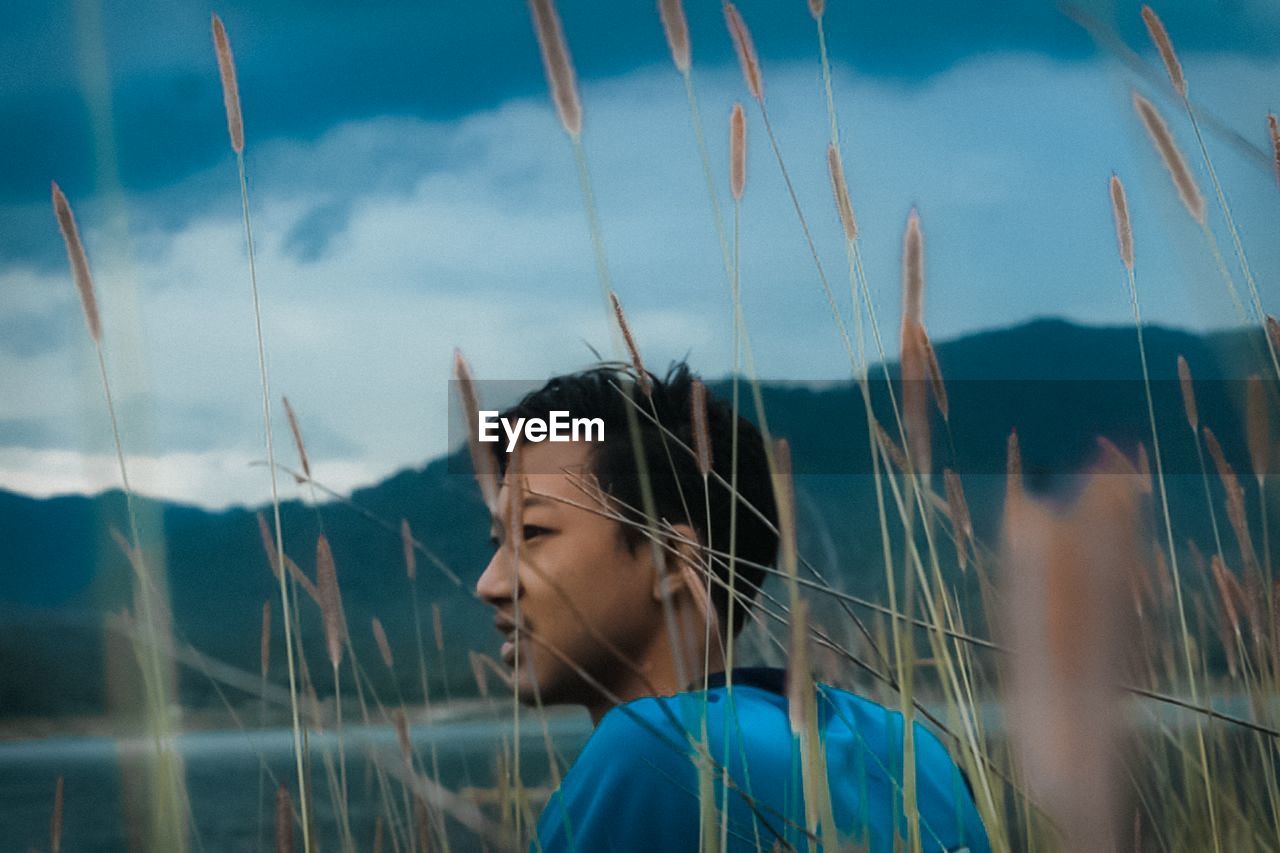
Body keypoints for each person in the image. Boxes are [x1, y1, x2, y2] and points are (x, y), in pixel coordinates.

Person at [474, 362, 990, 852]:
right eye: (497, 541)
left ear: (671, 558)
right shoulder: (912, 752)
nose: (489, 583)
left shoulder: (649, 753)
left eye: (532, 532)